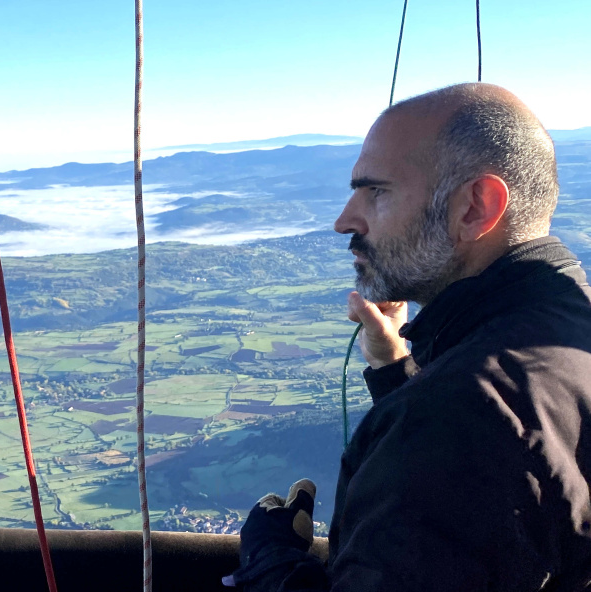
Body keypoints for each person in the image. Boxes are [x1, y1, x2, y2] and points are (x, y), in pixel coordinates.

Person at [226, 83, 591, 591]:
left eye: (376, 192)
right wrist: (397, 370)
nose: (344, 220)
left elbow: (469, 446)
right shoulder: (569, 328)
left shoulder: (455, 419)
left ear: (475, 208)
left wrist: (268, 562)